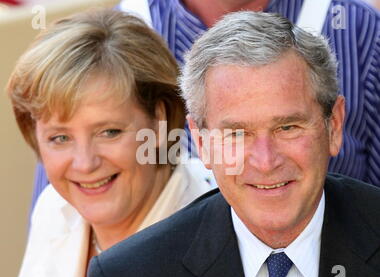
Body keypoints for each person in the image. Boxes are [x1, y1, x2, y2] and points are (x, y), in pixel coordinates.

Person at [88, 11, 380, 277]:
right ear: (201, 141)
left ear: (335, 126)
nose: (265, 162)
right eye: (237, 134)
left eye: (288, 127)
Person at [29, 0, 380, 213]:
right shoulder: (111, 44)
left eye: (288, 127)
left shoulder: (359, 32)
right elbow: (64, 207)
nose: (264, 160)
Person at [7, 9, 214, 277]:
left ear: (159, 120)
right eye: (60, 137)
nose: (85, 163)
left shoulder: (219, 234)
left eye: (109, 132)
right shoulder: (53, 210)